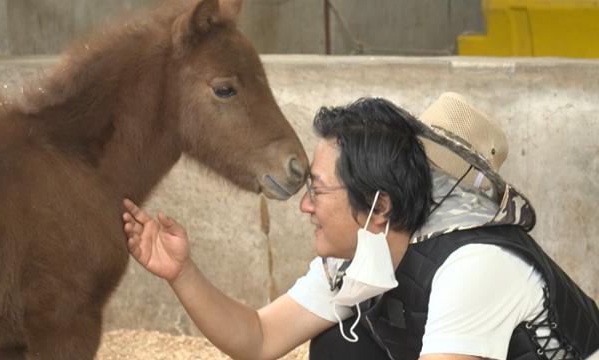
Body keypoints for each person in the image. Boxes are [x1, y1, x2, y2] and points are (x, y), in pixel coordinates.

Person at [122, 93, 599, 360]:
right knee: (338, 349)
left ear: (379, 204)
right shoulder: (364, 251)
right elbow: (260, 338)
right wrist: (181, 273)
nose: (304, 206)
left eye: (317, 190)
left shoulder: (474, 264)